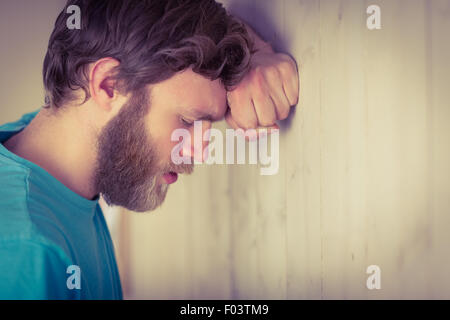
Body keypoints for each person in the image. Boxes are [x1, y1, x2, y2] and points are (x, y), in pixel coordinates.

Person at [0, 0, 299, 299]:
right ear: (108, 84)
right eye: (189, 120)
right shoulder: (27, 254)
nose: (197, 152)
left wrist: (255, 54)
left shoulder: (32, 147)